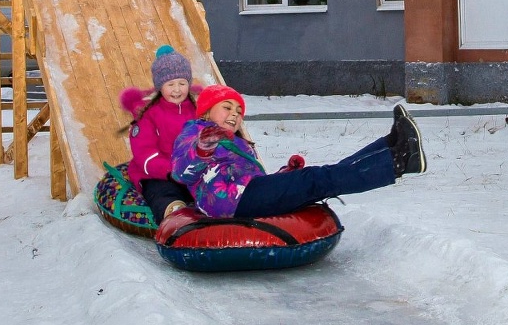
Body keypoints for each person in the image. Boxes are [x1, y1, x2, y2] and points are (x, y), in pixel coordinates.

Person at [169, 85, 427, 220]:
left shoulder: (238, 143)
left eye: (238, 111)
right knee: (316, 179)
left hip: (245, 195)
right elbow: (182, 171)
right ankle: (399, 162)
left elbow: (255, 182)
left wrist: (285, 174)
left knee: (322, 177)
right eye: (227, 107)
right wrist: (204, 145)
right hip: (229, 203)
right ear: (206, 112)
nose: (234, 114)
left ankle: (389, 145)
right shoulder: (195, 131)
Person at [119, 45, 202, 223]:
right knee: (161, 193)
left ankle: (217, 217)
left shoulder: (198, 111)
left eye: (182, 83)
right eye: (170, 84)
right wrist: (169, 171)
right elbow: (144, 153)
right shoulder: (148, 114)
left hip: (192, 173)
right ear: (160, 86)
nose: (177, 90)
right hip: (160, 174)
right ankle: (175, 216)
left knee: (210, 187)